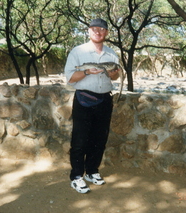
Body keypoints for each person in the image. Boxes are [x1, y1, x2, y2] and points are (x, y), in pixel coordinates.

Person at [64, 18, 120, 194]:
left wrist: (112, 74)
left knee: (99, 139)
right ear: (88, 31)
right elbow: (70, 78)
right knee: (80, 140)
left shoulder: (112, 53)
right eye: (94, 28)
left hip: (105, 100)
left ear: (106, 33)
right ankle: (77, 176)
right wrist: (87, 71)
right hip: (84, 100)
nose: (98, 31)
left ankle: (92, 171)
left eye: (102, 29)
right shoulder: (78, 51)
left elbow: (115, 78)